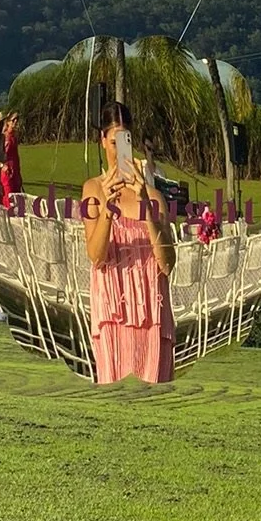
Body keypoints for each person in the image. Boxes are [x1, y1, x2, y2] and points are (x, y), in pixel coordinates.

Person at [83, 102, 176, 386]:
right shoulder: (93, 189)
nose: (118, 150)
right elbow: (96, 257)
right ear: (102, 141)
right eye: (113, 142)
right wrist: (108, 211)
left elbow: (168, 264)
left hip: (152, 313)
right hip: (112, 310)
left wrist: (146, 207)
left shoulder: (154, 197)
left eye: (125, 141)